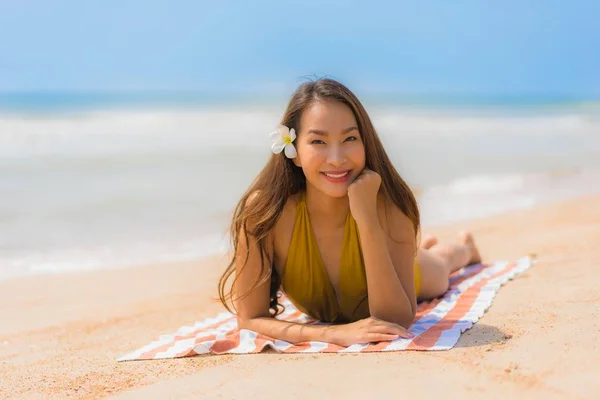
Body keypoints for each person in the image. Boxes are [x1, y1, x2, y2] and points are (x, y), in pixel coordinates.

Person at [218, 78, 481, 347]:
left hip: (403, 273)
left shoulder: (389, 207)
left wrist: (367, 219)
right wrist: (332, 334)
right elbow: (249, 319)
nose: (336, 158)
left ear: (366, 143)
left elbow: (395, 320)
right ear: (294, 152)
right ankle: (426, 248)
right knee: (423, 255)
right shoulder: (264, 214)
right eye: (318, 141)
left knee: (439, 269)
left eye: (350, 138)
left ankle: (464, 249)